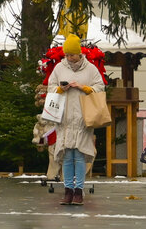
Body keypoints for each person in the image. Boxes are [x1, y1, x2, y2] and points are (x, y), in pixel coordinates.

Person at [44, 35, 103, 208]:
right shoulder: (59, 68)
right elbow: (50, 87)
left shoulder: (91, 69)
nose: (69, 58)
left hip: (84, 117)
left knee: (79, 155)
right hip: (64, 118)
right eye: (67, 55)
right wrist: (60, 89)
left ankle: (79, 190)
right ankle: (68, 189)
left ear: (79, 54)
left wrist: (84, 88)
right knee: (67, 155)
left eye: (72, 55)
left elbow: (100, 87)